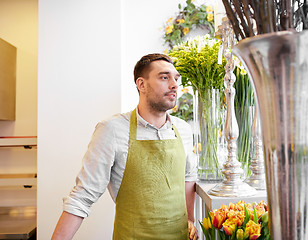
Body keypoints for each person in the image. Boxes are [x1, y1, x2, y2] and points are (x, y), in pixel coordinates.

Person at [51, 53, 199, 240]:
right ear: (141, 84)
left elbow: (188, 176)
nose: (174, 85)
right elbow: (83, 195)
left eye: (176, 78)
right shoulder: (112, 129)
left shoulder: (183, 130)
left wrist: (191, 220)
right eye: (164, 77)